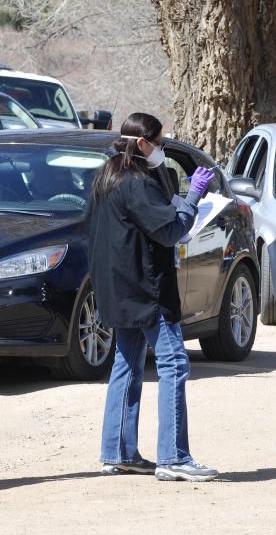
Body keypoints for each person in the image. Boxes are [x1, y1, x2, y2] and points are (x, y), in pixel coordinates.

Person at [87, 112, 219, 482]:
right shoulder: (135, 182)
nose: (162, 149)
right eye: (159, 143)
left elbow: (142, 221)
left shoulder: (107, 176)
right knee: (174, 364)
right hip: (146, 289)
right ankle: (174, 457)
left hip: (116, 287)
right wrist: (192, 198)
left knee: (126, 365)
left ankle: (118, 452)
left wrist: (176, 196)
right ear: (143, 143)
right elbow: (170, 230)